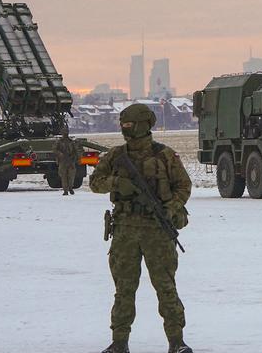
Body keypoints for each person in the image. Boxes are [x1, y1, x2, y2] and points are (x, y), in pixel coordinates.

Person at [90, 103, 193, 353]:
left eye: (130, 125)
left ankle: (176, 341)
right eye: (124, 125)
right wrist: (117, 183)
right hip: (125, 230)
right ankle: (119, 342)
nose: (126, 129)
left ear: (144, 125)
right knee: (124, 290)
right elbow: (95, 182)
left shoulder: (165, 155)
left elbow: (183, 186)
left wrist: (171, 208)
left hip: (156, 230)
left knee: (166, 288)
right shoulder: (116, 156)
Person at [53, 127, 80, 196]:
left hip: (71, 161)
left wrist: (77, 158)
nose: (65, 134)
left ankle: (70, 188)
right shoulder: (59, 142)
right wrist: (60, 154)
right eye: (64, 132)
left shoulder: (71, 141)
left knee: (71, 176)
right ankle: (65, 190)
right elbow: (55, 149)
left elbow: (76, 150)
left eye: (66, 132)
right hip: (62, 161)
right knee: (63, 176)